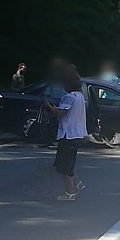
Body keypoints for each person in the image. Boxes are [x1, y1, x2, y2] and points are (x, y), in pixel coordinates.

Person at [43, 70, 87, 201]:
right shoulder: (80, 96)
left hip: (68, 134)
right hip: (78, 134)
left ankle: (70, 192)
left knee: (64, 166)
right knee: (67, 162)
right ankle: (77, 184)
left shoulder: (69, 97)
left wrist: (50, 108)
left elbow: (62, 112)